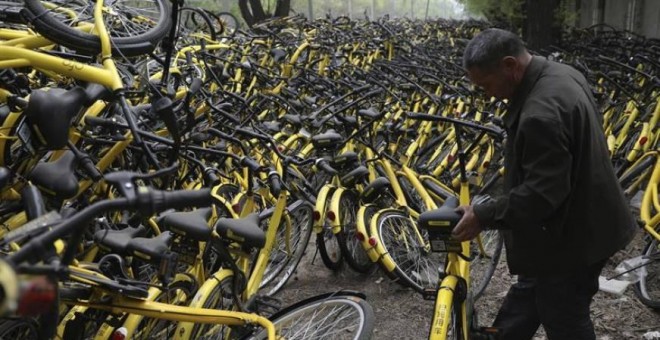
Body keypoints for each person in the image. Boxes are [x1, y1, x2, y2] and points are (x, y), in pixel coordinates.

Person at [453, 28, 637, 340]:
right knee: (533, 289)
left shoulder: (541, 113)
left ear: (510, 65)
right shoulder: (560, 73)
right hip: (582, 218)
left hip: (575, 238)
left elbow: (541, 194)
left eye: (486, 85)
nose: (486, 94)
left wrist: (484, 216)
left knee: (564, 315)